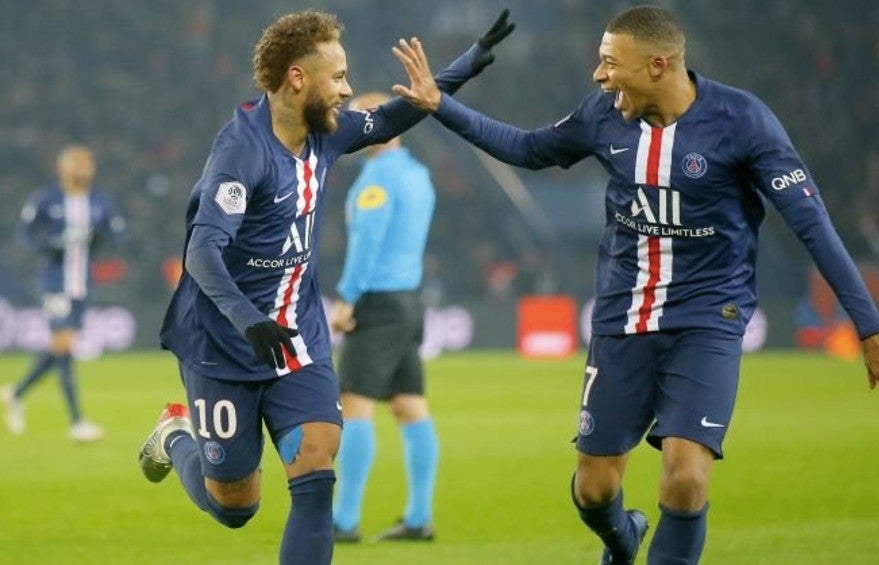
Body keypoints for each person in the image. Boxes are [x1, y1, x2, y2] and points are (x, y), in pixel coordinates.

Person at [391, 6, 879, 564]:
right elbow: (529, 149)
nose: (599, 75)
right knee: (594, 490)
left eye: (611, 63)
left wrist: (870, 328)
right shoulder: (604, 116)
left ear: (658, 66)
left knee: (685, 481)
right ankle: (623, 540)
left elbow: (813, 226)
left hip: (709, 319)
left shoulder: (743, 121)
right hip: (622, 318)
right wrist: (440, 105)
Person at [136, 9, 512, 565]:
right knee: (236, 507)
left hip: (296, 336)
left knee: (316, 468)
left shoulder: (325, 136)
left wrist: (469, 63)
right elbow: (201, 252)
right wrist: (248, 319)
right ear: (297, 78)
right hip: (222, 342)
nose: (348, 89)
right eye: (337, 77)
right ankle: (175, 434)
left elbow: (391, 117)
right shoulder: (243, 153)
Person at [329, 91, 439, 543]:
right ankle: (418, 517)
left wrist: (347, 298)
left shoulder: (376, 180)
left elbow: (367, 245)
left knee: (354, 402)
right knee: (409, 405)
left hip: (378, 300)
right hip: (410, 300)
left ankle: (344, 520)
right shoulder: (418, 174)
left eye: (360, 120)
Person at [2, 145, 124, 443]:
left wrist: (104, 240)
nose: (82, 169)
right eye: (76, 164)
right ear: (63, 168)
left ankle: (15, 393)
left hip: (82, 283)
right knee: (64, 344)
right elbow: (26, 234)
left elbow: (117, 234)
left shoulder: (99, 202)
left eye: (86, 164)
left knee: (62, 347)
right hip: (55, 282)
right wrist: (51, 245)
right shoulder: (47, 200)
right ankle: (77, 422)